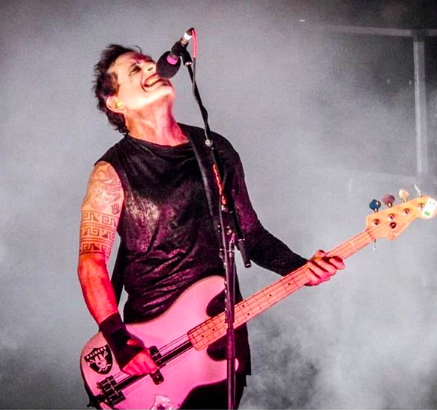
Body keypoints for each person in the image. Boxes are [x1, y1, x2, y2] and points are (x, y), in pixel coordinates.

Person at [77, 44, 344, 409]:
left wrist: (300, 268)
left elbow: (251, 234)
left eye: (148, 63)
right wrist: (119, 341)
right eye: (134, 70)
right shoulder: (112, 172)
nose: (150, 69)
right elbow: (92, 262)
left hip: (222, 341)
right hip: (154, 349)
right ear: (116, 102)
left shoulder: (214, 149)